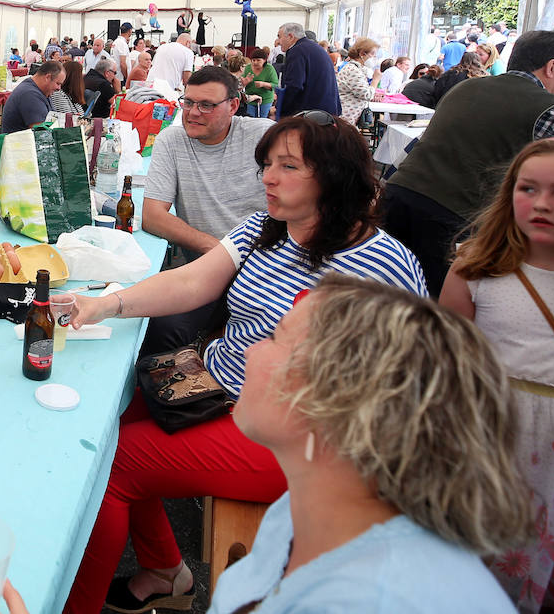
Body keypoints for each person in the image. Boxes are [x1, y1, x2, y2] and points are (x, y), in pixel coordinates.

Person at [61, 112, 426, 614]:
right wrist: (106, 303)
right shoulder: (268, 228)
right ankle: (166, 571)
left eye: (289, 166)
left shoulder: (378, 266)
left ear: (335, 178)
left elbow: (397, 391)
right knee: (102, 428)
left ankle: (73, 603)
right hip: (212, 387)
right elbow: (193, 282)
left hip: (290, 436)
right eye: (268, 165)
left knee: (111, 466)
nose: (269, 178)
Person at [207, 276, 527, 613]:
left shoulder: (374, 600)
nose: (250, 350)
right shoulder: (300, 507)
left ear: (335, 401)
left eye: (275, 337)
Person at [439, 137, 554, 613]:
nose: (541, 203)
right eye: (528, 188)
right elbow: (447, 364)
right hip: (496, 451)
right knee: (487, 578)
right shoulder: (477, 269)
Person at [381, 30, 554, 297]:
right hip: (453, 218)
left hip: (399, 195)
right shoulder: (551, 109)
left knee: (388, 289)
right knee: (437, 306)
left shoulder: (467, 86)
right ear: (552, 66)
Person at [141, 65, 274, 346]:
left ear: (233, 106)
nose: (192, 112)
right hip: (208, 272)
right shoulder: (172, 140)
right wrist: (220, 252)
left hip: (265, 270)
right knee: (156, 328)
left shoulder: (264, 136)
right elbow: (153, 216)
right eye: (188, 102)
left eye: (206, 105)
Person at [274, 21, 340, 118]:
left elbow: (294, 85)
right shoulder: (312, 47)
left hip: (312, 114)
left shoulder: (297, 51)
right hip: (326, 110)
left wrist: (281, 109)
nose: (278, 41)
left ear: (291, 36)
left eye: (279, 37)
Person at [0, 61, 64, 133]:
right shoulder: (29, 95)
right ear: (47, 77)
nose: (59, 88)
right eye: (58, 83)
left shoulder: (39, 91)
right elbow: (42, 134)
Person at [336, 37, 378, 126]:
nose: (374, 58)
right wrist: (375, 80)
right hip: (345, 118)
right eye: (372, 54)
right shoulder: (353, 70)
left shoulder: (357, 69)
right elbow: (366, 94)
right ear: (362, 53)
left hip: (348, 117)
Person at [243, 46, 278, 119]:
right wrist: (245, 82)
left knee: (263, 119)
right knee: (250, 119)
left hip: (265, 99)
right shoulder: (247, 68)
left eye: (258, 60)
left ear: (264, 60)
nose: (255, 62)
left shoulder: (269, 68)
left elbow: (275, 85)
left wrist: (263, 84)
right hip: (251, 98)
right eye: (253, 60)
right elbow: (242, 82)